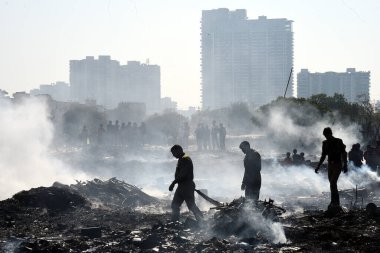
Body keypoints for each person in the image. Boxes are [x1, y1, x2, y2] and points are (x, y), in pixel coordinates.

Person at [168, 145, 203, 222]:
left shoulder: (185, 159)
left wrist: (173, 183)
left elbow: (183, 174)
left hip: (187, 186)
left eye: (174, 153)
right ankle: (174, 222)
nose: (173, 155)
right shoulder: (181, 159)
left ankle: (202, 221)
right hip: (181, 186)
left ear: (179, 151)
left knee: (191, 206)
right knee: (175, 205)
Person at [315, 127, 347, 209]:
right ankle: (335, 202)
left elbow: (344, 153)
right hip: (330, 164)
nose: (326, 137)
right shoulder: (325, 143)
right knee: (332, 184)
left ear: (330, 133)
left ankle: (335, 202)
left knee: (333, 182)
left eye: (327, 135)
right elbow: (323, 155)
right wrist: (318, 166)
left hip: (338, 164)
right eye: (325, 135)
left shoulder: (338, 141)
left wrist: (345, 164)